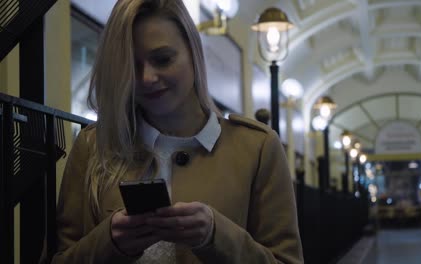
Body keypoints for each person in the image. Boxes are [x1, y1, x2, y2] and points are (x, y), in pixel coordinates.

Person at [46, 0, 303, 263]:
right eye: (131, 65)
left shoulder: (257, 148)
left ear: (193, 52)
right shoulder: (94, 146)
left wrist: (216, 234)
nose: (146, 78)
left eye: (162, 59)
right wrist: (109, 242)